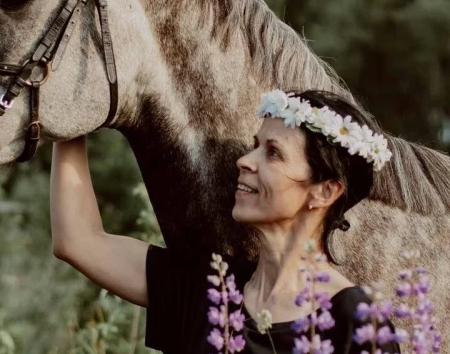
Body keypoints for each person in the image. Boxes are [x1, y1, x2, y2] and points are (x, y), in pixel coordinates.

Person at [50, 89, 402, 353]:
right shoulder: (209, 286)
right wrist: (70, 112)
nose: (245, 160)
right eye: (255, 145)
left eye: (273, 153)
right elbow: (78, 240)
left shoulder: (357, 320)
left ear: (325, 192)